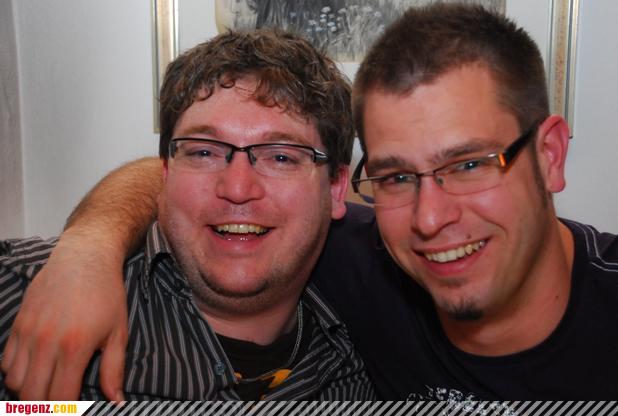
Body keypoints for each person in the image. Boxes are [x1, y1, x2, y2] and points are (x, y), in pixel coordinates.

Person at [4, 3, 618, 400]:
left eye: (468, 164)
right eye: (396, 177)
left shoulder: (348, 331)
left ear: (335, 189)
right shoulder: (27, 298)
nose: (431, 218)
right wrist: (86, 251)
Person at [0, 28, 376, 400]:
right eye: (203, 152)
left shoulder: (358, 363)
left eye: (280, 157)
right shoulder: (23, 296)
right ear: (165, 172)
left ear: (335, 187)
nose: (237, 188)